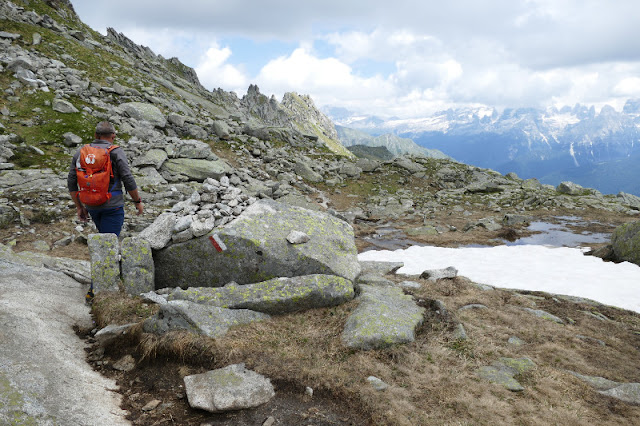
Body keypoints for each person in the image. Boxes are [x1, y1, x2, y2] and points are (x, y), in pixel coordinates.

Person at [67, 121, 144, 302]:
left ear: (95, 135)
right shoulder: (115, 151)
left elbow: (71, 181)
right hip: (113, 206)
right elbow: (127, 177)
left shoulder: (81, 152)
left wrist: (79, 206)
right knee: (108, 246)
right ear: (113, 136)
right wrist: (137, 201)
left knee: (103, 239)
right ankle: (96, 291)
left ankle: (101, 284)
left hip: (92, 206)